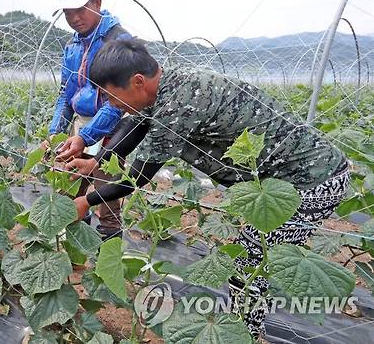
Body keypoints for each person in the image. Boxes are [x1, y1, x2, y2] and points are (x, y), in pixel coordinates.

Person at [67, 38, 349, 339]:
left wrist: (86, 201)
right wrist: (98, 160)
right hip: (283, 178)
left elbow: (136, 178)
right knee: (258, 257)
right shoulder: (164, 85)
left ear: (137, 81)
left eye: (111, 96)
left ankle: (245, 335)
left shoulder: (179, 104)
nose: (111, 104)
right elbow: (136, 125)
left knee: (251, 261)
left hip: (314, 179)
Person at [44, 0, 131, 240]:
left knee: (106, 191)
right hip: (80, 124)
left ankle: (108, 250)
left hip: (112, 127)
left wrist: (87, 137)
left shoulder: (119, 42)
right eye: (68, 13)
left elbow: (117, 102)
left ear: (96, 3)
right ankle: (75, 248)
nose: (74, 18)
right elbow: (65, 94)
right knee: (69, 184)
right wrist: (56, 132)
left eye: (79, 10)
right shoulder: (72, 46)